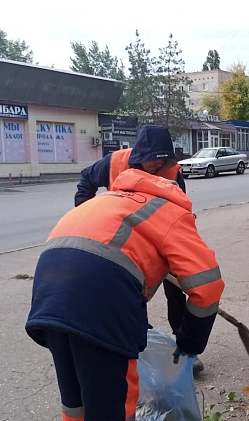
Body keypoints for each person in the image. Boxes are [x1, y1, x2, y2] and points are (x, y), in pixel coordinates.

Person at [25, 124, 225, 421]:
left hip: (50, 291)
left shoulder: (112, 198)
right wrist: (189, 342)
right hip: (97, 301)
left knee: (77, 396)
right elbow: (207, 286)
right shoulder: (169, 210)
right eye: (176, 168)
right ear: (168, 168)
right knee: (110, 405)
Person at [75, 130, 205, 375]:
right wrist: (88, 216)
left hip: (159, 234)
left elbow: (181, 211)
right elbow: (86, 182)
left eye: (164, 158)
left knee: (177, 286)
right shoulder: (114, 163)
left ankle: (185, 347)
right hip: (120, 239)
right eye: (155, 158)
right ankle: (140, 339)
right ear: (141, 153)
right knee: (130, 288)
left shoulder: (172, 172)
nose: (159, 164)